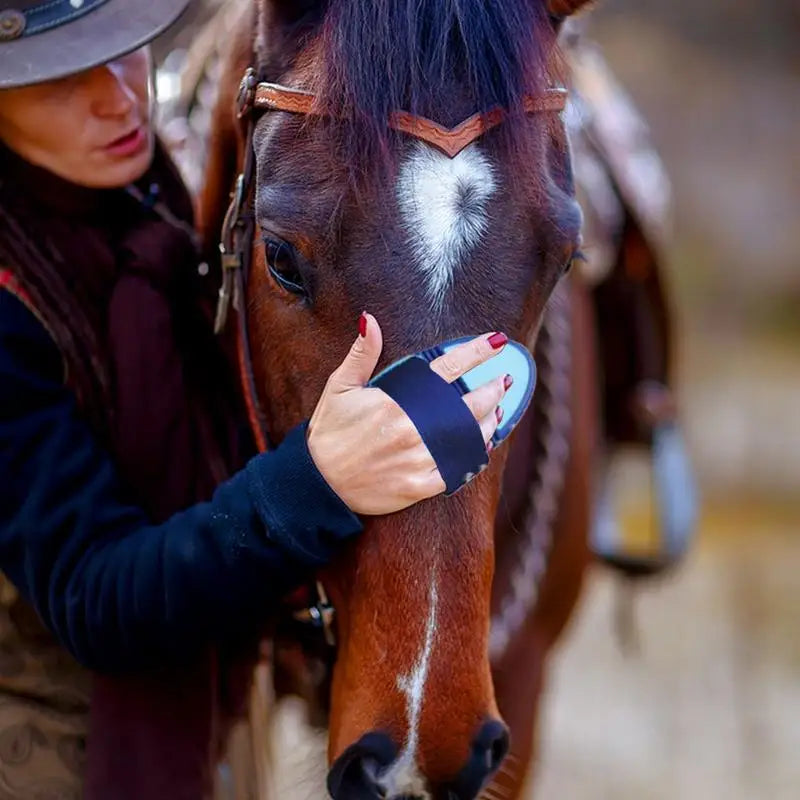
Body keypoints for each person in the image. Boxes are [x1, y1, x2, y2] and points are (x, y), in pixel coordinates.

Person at [0, 1, 509, 797]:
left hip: (218, 737)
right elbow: (95, 597)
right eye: (59, 79)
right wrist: (317, 481)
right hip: (61, 764)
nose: (120, 97)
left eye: (122, 51)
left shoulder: (140, 196)